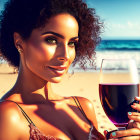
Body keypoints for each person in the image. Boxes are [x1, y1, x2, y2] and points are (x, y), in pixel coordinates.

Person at [0, 0, 140, 139]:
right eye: (51, 40)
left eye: (72, 43)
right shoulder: (8, 116)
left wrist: (126, 134)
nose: (66, 55)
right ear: (19, 42)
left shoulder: (83, 107)